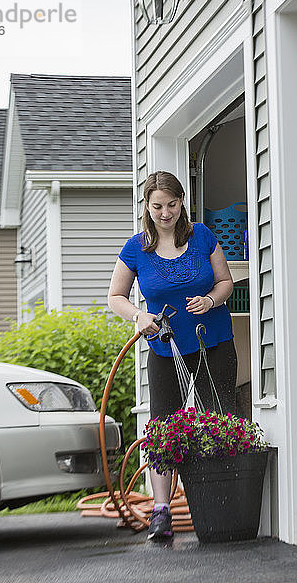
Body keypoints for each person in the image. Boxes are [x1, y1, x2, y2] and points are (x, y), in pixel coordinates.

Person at [108, 171, 237, 541]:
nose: (166, 213)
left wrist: (211, 299)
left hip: (213, 342)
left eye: (172, 204)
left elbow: (226, 282)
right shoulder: (136, 248)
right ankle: (161, 511)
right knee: (164, 427)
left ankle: (221, 500)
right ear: (147, 207)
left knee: (220, 416)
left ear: (183, 202)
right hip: (166, 348)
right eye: (158, 206)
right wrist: (139, 316)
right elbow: (115, 297)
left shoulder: (203, 237)